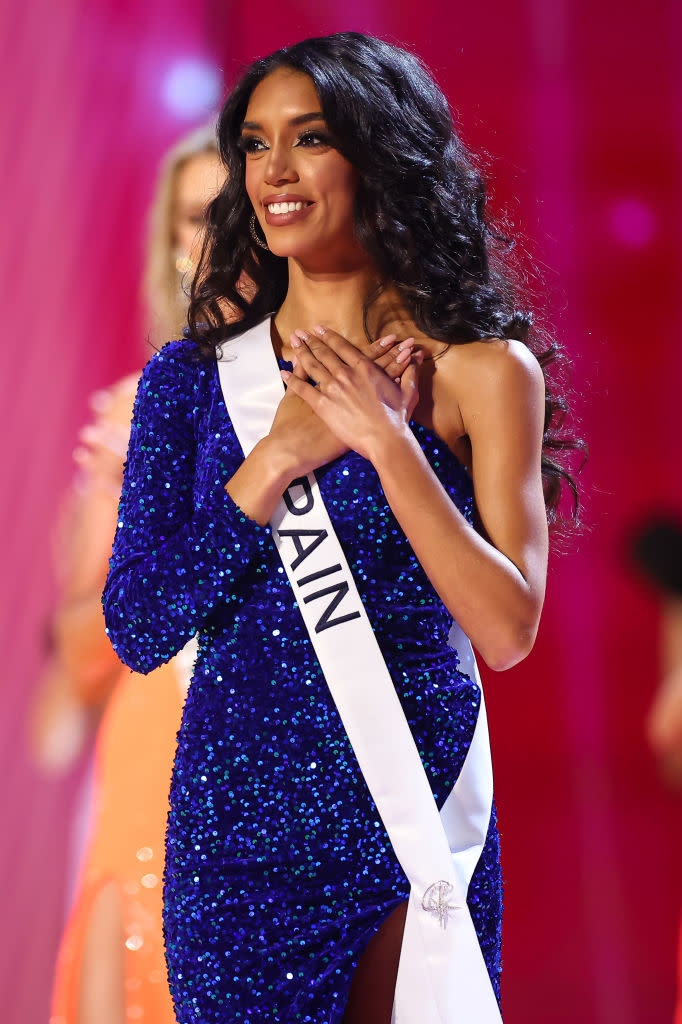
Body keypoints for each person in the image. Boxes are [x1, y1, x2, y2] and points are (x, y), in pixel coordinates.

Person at [103, 33, 579, 1024]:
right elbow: (140, 624)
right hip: (235, 850)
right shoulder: (190, 386)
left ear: (379, 154)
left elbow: (506, 629)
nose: (273, 172)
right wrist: (275, 458)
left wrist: (385, 443)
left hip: (411, 825)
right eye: (255, 144)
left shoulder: (485, 374)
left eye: (308, 139)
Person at [49, 123, 223, 1024]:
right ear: (170, 244)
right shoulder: (131, 419)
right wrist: (124, 504)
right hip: (155, 760)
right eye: (198, 217)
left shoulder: (360, 399)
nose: (221, 238)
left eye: (240, 210)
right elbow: (80, 656)